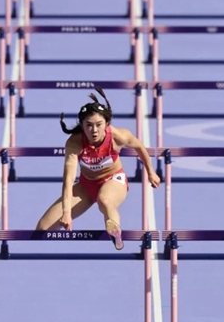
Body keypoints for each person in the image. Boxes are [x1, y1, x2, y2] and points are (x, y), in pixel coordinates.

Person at [35, 87, 161, 249]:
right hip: (86, 185)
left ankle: (115, 231)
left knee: (105, 200)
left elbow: (139, 147)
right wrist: (66, 212)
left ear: (106, 123)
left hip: (113, 180)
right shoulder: (74, 143)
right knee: (42, 229)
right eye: (89, 125)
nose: (94, 130)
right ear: (82, 125)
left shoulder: (118, 136)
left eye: (98, 125)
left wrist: (150, 171)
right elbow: (68, 179)